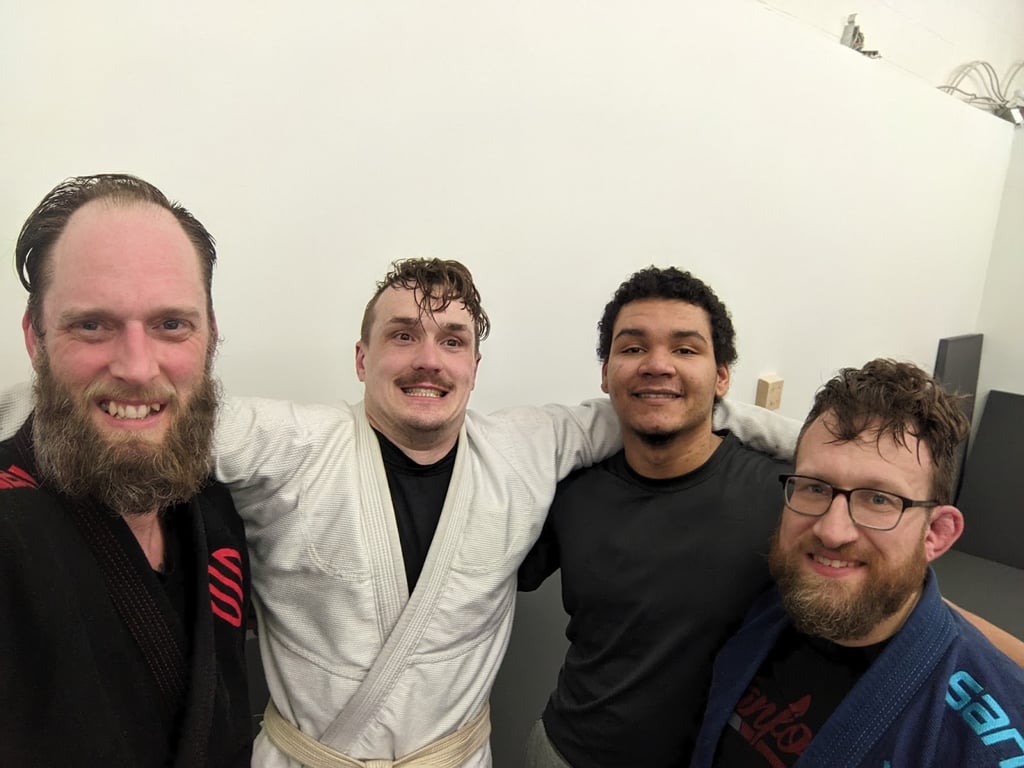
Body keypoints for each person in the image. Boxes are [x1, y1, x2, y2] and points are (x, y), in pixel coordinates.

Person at [0, 255, 795, 765]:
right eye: (404, 335)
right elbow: (144, 407)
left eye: (452, 340)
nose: (428, 359)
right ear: (362, 357)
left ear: (475, 364)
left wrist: (805, 444)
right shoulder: (289, 443)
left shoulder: (529, 445)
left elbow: (659, 403)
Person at [0, 175, 253, 766]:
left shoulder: (215, 511)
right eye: (92, 324)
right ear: (36, 338)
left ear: (211, 336)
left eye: (171, 325)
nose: (138, 368)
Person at [517, 267, 791, 767]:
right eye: (633, 347)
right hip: (566, 753)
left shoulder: (785, 497)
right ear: (606, 373)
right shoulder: (567, 490)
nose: (657, 365)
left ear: (722, 376)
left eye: (685, 349)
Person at [690, 359, 1024, 767]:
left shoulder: (984, 745)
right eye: (815, 487)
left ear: (935, 533)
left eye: (879, 499)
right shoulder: (764, 603)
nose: (832, 532)